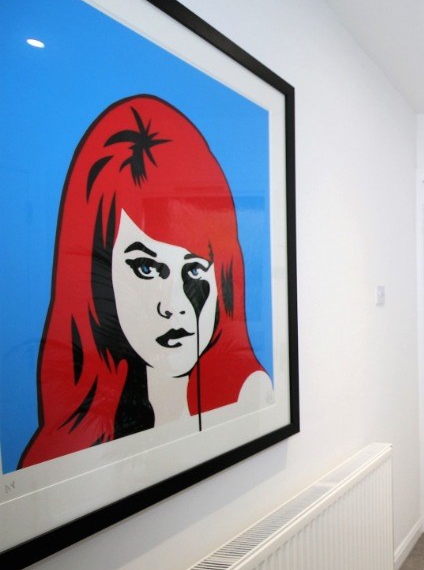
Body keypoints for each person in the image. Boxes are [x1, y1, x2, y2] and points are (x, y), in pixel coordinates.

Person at [19, 95, 268, 468]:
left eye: (194, 270)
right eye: (148, 268)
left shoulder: (247, 395)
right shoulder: (64, 454)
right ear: (99, 278)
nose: (175, 305)